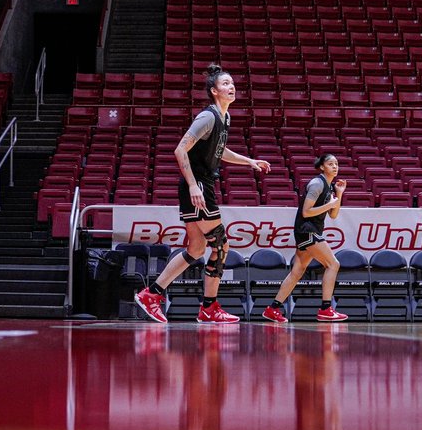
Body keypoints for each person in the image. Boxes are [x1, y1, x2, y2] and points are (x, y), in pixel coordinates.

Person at [134, 63, 271, 324]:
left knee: (197, 248)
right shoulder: (207, 117)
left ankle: (151, 294)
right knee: (221, 245)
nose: (231, 87)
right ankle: (209, 308)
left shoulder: (224, 118)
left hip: (198, 186)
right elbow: (180, 150)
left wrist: (249, 161)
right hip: (197, 187)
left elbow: (220, 151)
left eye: (232, 83)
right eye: (225, 84)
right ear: (214, 91)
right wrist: (194, 185)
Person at [260, 153, 349, 323]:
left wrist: (339, 194)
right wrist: (329, 204)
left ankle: (273, 309)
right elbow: (306, 212)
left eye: (337, 164)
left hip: (310, 231)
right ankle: (325, 309)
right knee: (333, 264)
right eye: (331, 164)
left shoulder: (330, 187)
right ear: (322, 167)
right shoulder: (317, 184)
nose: (335, 167)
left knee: (297, 272)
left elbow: (333, 214)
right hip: (306, 230)